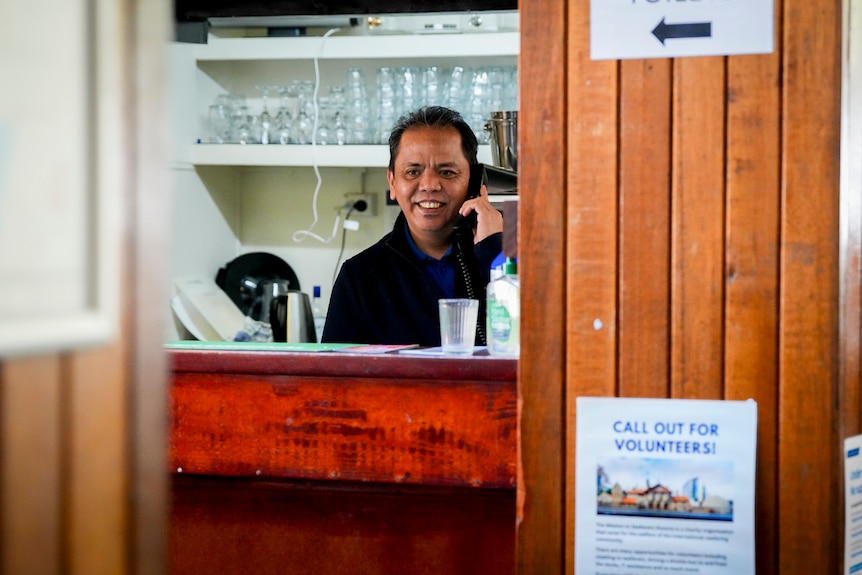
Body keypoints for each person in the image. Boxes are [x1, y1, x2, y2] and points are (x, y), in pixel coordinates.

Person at [322, 106, 504, 346]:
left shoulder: (512, 257)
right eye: (412, 172)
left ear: (475, 182)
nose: (429, 184)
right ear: (393, 182)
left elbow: (544, 347)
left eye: (447, 172)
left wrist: (495, 252)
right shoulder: (359, 278)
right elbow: (335, 379)